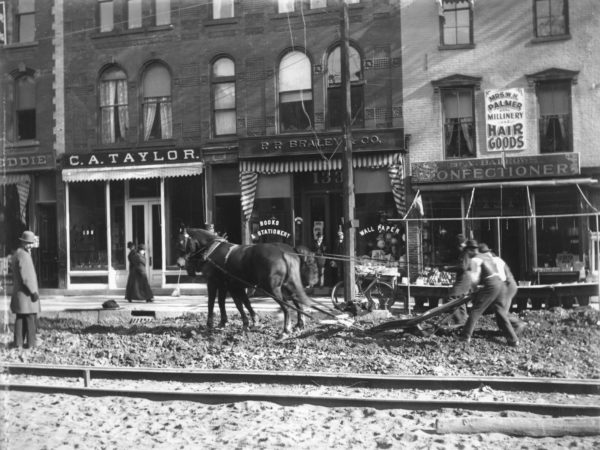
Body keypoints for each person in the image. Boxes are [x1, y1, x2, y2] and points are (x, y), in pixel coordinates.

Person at [458, 239, 519, 346]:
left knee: (476, 310)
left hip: (492, 284)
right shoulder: (488, 256)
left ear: (470, 250)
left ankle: (465, 336)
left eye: (467, 251)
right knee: (500, 312)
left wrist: (474, 290)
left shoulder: (475, 260)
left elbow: (474, 278)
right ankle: (513, 340)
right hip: (501, 284)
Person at [479, 243, 527, 336]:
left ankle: (518, 324)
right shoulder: (493, 260)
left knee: (501, 312)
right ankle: (507, 330)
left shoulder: (495, 261)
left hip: (507, 286)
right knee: (499, 312)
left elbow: (501, 278)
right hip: (506, 285)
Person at [10, 230, 41, 349]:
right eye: (29, 243)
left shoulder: (17, 253)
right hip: (27, 295)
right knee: (30, 320)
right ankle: (31, 344)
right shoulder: (24, 256)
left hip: (19, 294)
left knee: (20, 319)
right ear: (24, 243)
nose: (31, 246)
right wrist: (33, 292)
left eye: (31, 243)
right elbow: (27, 277)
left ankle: (18, 343)